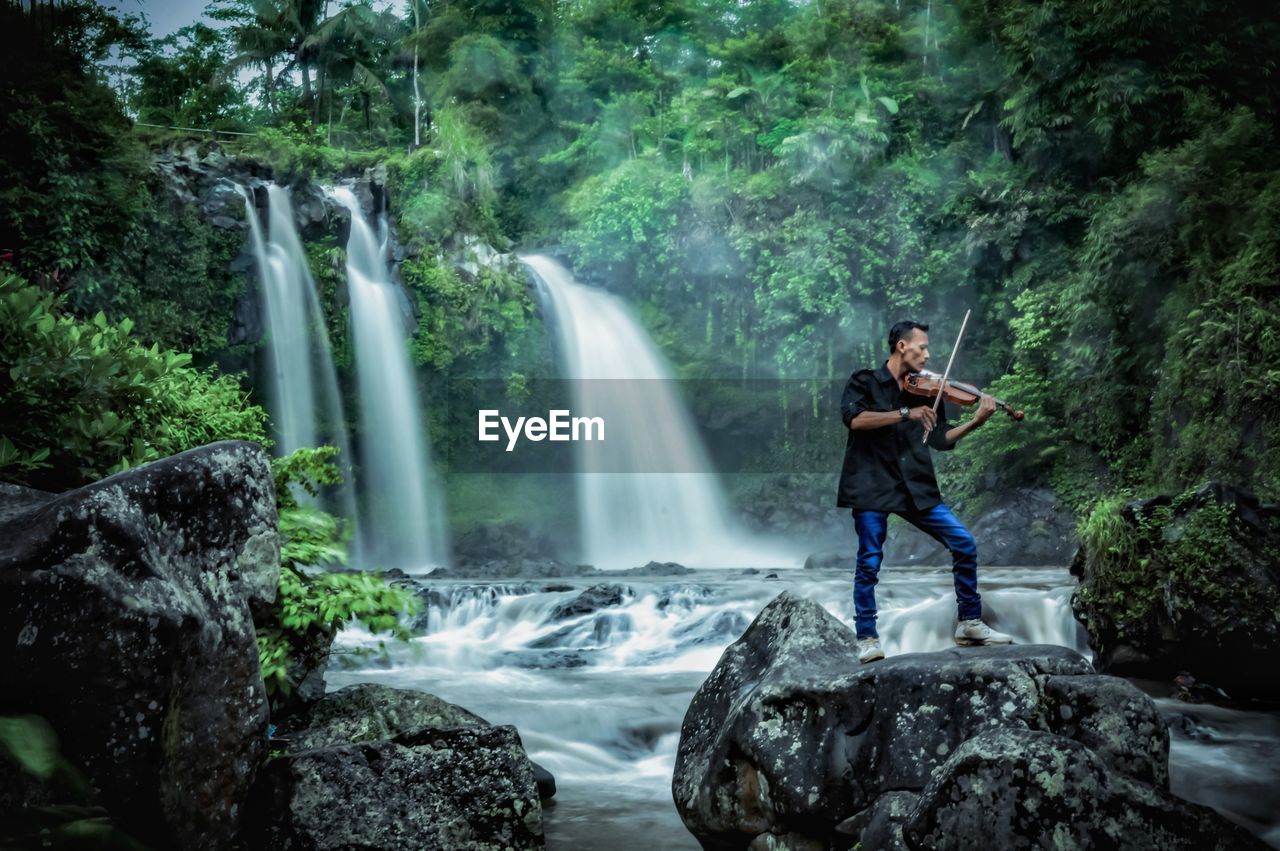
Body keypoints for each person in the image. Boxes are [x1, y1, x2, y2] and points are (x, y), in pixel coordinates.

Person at [837, 320, 1011, 663]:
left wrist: (976, 421)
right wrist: (905, 413)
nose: (928, 354)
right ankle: (867, 638)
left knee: (963, 542)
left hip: (914, 485)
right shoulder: (864, 381)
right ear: (902, 346)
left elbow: (940, 440)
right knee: (869, 561)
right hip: (872, 483)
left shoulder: (929, 389)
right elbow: (855, 420)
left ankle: (970, 623)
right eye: (923, 347)